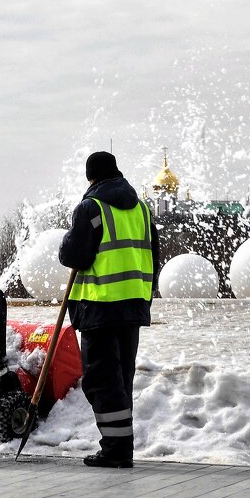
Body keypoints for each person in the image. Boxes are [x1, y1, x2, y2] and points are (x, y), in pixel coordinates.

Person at [58, 151, 159, 468]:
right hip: (132, 306)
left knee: (102, 380)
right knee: (121, 377)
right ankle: (120, 446)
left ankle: (115, 449)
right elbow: (154, 254)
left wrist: (67, 239)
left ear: (91, 178)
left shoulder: (92, 207)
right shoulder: (142, 209)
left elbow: (75, 254)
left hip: (100, 308)